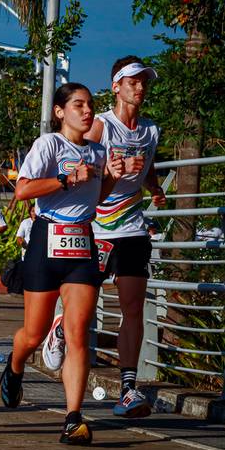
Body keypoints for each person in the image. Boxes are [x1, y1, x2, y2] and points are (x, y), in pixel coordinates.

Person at [41, 58, 166, 420]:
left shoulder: (150, 130)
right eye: (132, 81)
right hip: (95, 228)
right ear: (116, 86)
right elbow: (82, 164)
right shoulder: (100, 126)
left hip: (132, 228)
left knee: (132, 306)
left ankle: (128, 388)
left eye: (143, 82)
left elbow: (148, 165)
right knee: (84, 306)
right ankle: (60, 329)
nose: (139, 87)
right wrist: (108, 173)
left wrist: (154, 187)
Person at [1, 83, 123, 445]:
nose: (87, 112)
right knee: (34, 334)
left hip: (82, 241)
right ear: (60, 112)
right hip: (46, 238)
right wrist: (67, 178)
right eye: (78, 105)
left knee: (78, 332)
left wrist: (111, 177)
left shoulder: (99, 152)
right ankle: (15, 364)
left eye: (90, 105)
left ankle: (74, 418)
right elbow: (22, 190)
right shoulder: (48, 145)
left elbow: (97, 197)